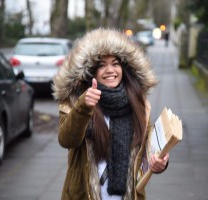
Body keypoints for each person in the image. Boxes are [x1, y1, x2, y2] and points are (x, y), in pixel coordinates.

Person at [52, 28, 169, 200]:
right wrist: (83, 107)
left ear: (124, 68)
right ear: (91, 70)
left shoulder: (139, 105)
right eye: (101, 65)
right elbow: (66, 140)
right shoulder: (74, 103)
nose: (110, 70)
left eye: (115, 63)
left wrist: (160, 163)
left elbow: (148, 152)